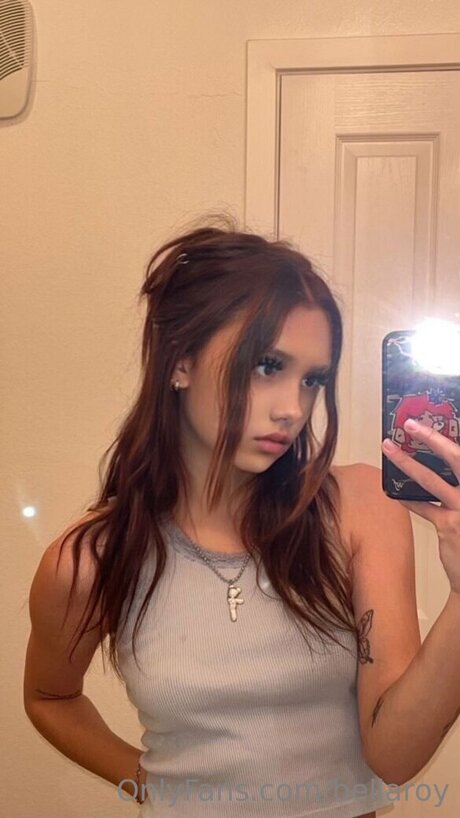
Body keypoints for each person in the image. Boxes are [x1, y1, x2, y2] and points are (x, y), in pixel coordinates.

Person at [23, 213, 460, 818]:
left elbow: (395, 756)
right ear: (179, 361)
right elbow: (49, 697)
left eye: (313, 379)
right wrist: (152, 784)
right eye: (268, 366)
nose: (293, 408)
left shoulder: (358, 506)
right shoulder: (91, 559)